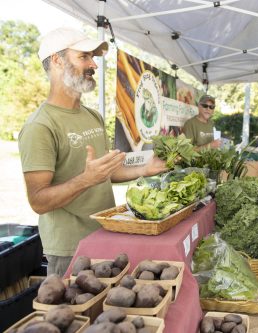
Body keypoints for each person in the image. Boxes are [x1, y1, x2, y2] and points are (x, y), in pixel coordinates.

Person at [18, 27, 168, 276]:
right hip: (70, 248)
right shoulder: (39, 126)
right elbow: (38, 200)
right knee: (73, 314)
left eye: (93, 58)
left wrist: (145, 169)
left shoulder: (92, 116)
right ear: (57, 60)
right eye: (84, 57)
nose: (93, 65)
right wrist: (86, 179)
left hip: (104, 234)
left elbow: (105, 172)